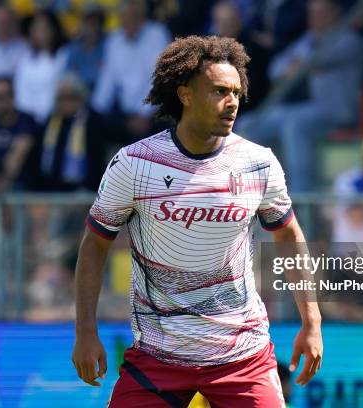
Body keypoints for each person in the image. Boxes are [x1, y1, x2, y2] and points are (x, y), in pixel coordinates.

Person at [72, 35, 323, 407]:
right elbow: (94, 246)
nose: (232, 102)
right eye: (220, 91)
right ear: (185, 94)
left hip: (242, 355)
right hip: (159, 355)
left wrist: (312, 321)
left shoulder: (258, 163)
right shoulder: (134, 164)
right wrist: (85, 331)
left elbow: (289, 236)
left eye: (237, 92)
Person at [238, 0, 363, 192]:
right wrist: (297, 66)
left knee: (295, 125)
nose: (316, 18)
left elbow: (315, 60)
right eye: (313, 13)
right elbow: (275, 69)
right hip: (300, 110)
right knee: (247, 125)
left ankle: (300, 198)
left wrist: (298, 65)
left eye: (322, 13)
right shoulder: (307, 39)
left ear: (336, 13)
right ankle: (251, 194)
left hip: (333, 112)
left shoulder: (348, 39)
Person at [91, 0, 170, 145]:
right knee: (92, 122)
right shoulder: (114, 40)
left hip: (153, 112)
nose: (128, 22)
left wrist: (144, 114)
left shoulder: (157, 34)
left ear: (142, 17)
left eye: (133, 17)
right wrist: (96, 111)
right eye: (124, 18)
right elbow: (106, 82)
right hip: (124, 114)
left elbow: (160, 79)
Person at [36, 73, 106, 192]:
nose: (66, 102)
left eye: (71, 97)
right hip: (51, 188)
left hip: (86, 190)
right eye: (61, 98)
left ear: (82, 98)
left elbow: (98, 161)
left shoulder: (94, 121)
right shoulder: (51, 121)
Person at [14, 10, 68, 123]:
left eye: (46, 28)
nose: (42, 32)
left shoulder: (64, 56)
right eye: (37, 28)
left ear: (54, 30)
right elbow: (21, 92)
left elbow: (57, 92)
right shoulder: (25, 58)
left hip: (53, 117)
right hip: (27, 118)